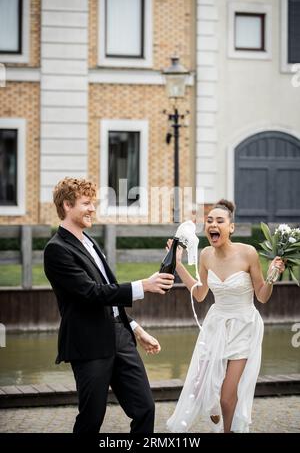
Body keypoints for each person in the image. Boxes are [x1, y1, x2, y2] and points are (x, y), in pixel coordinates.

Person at [44, 177, 174, 433]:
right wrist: (143, 286)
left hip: (121, 337)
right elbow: (91, 293)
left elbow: (108, 295)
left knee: (145, 408)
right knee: (92, 418)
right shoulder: (56, 249)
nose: (93, 208)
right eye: (86, 203)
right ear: (67, 205)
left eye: (93, 203)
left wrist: (135, 328)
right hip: (89, 343)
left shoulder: (90, 242)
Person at [167, 199, 285, 433]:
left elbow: (262, 296)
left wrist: (272, 276)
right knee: (206, 388)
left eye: (220, 221)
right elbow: (200, 295)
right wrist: (178, 264)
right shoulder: (206, 255)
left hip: (244, 327)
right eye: (209, 221)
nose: (213, 224)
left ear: (231, 227)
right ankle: (215, 412)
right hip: (215, 326)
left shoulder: (248, 253)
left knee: (227, 398)